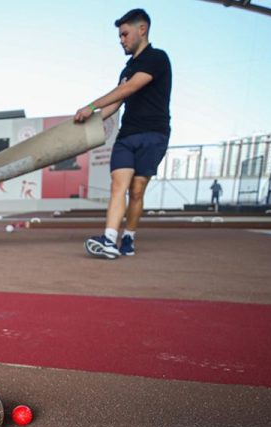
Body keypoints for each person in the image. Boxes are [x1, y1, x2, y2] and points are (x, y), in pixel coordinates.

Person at [74, 8, 171, 259]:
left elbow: (130, 88)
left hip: (154, 134)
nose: (121, 40)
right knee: (118, 185)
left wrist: (91, 105)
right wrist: (87, 121)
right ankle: (109, 239)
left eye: (125, 34)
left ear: (142, 29)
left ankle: (128, 237)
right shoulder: (127, 69)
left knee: (136, 191)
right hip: (127, 135)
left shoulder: (157, 58)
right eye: (119, 36)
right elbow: (116, 104)